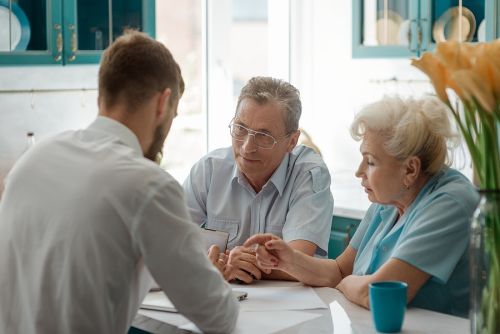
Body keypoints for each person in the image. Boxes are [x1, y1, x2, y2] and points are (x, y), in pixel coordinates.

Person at [0, 31, 238, 333]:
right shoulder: (148, 185)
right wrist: (210, 270)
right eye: (173, 116)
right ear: (163, 103)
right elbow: (219, 316)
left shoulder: (32, 161)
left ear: (102, 96)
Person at [245, 96, 479, 317]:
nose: (359, 172)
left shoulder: (451, 203)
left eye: (371, 161)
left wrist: (346, 284)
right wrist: (288, 259)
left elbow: (375, 293)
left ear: (410, 169)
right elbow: (338, 270)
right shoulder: (388, 200)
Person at [183, 77, 333, 283]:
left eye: (264, 136)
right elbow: (174, 245)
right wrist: (228, 263)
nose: (247, 147)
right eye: (240, 129)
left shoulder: (308, 173)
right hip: (224, 299)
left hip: (289, 307)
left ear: (292, 141)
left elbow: (298, 260)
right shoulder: (208, 170)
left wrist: (231, 263)